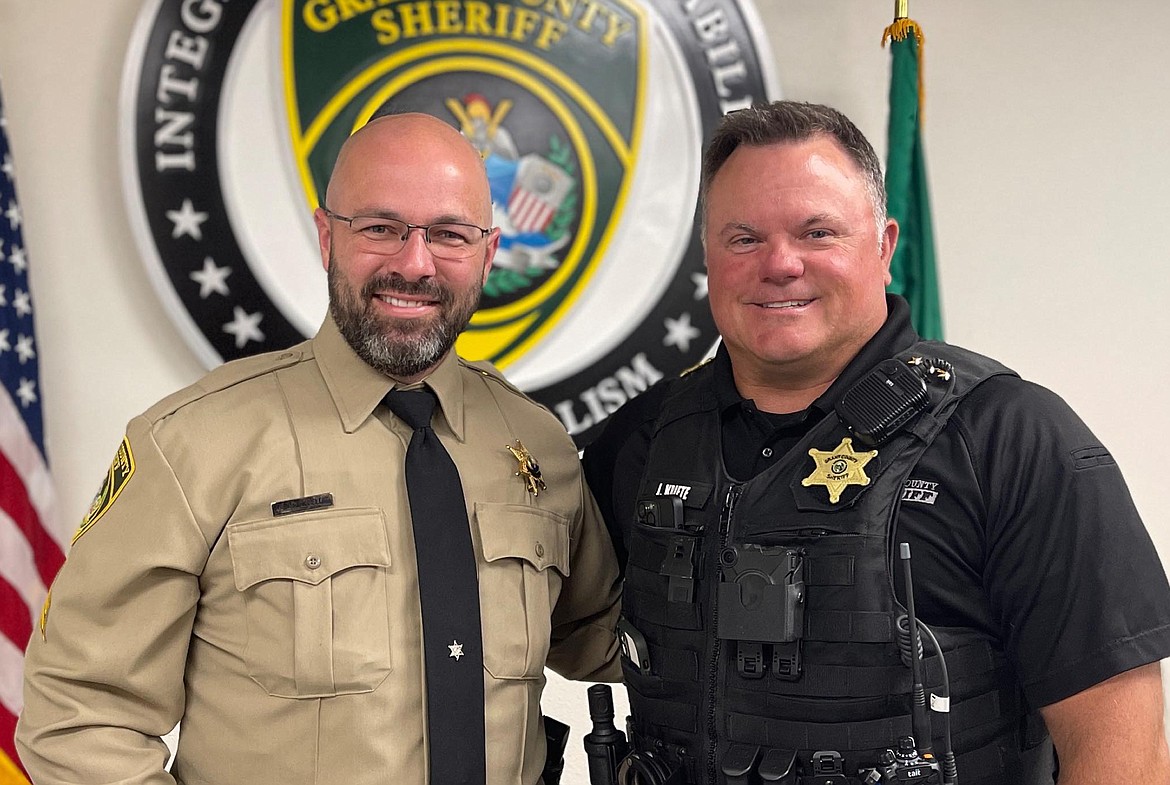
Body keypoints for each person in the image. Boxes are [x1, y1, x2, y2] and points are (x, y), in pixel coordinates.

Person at [18, 113, 621, 785]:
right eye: (380, 227)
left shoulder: (539, 448)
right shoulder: (190, 444)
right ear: (327, 235)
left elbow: (614, 640)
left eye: (448, 234)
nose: (413, 262)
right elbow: (79, 713)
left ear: (487, 252)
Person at [582, 101, 1170, 785]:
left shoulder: (1011, 440)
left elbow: (1124, 754)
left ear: (885, 246)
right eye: (743, 238)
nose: (780, 263)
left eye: (818, 232)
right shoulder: (646, 440)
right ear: (708, 254)